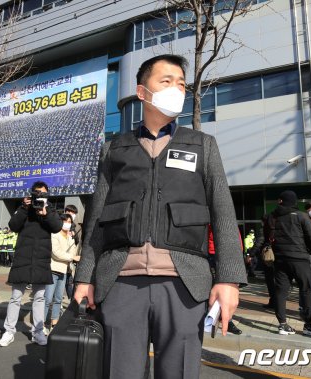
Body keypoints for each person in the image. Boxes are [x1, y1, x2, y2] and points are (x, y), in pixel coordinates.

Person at [74, 54, 247, 379]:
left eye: (181, 84)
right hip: (121, 283)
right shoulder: (115, 148)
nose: (176, 89)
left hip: (185, 285)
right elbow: (96, 218)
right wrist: (85, 277)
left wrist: (228, 279)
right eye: (165, 81)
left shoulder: (202, 145)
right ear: (142, 92)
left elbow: (223, 212)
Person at [0, 181, 62, 347]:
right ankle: (9, 331)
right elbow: (13, 225)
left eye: (43, 194)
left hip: (41, 259)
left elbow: (56, 227)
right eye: (37, 194)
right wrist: (24, 208)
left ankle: (38, 332)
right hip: (23, 258)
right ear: (32, 194)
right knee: (15, 297)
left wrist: (45, 212)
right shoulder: (24, 208)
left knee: (39, 298)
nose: (40, 197)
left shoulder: (50, 209)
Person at [261, 190, 311, 336]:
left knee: (280, 292)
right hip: (300, 259)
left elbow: (266, 236)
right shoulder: (302, 216)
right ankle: (308, 324)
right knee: (306, 290)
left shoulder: (271, 217)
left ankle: (282, 324)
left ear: (281, 201)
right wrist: (307, 250)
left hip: (280, 260)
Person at [44, 213, 79, 334]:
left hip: (64, 270)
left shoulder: (70, 237)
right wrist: (72, 257)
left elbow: (74, 250)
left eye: (69, 221)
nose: (67, 223)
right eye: (65, 221)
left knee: (58, 298)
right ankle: (43, 324)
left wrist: (73, 240)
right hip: (53, 269)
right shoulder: (54, 234)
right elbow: (56, 253)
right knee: (48, 299)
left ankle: (54, 323)